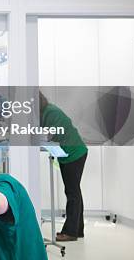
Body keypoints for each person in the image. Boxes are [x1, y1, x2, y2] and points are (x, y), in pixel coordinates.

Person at [39, 91, 88, 242]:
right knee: (74, 192)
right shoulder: (45, 112)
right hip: (70, 153)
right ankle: (77, 230)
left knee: (72, 192)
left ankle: (70, 232)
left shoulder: (51, 112)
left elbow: (51, 135)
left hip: (74, 153)